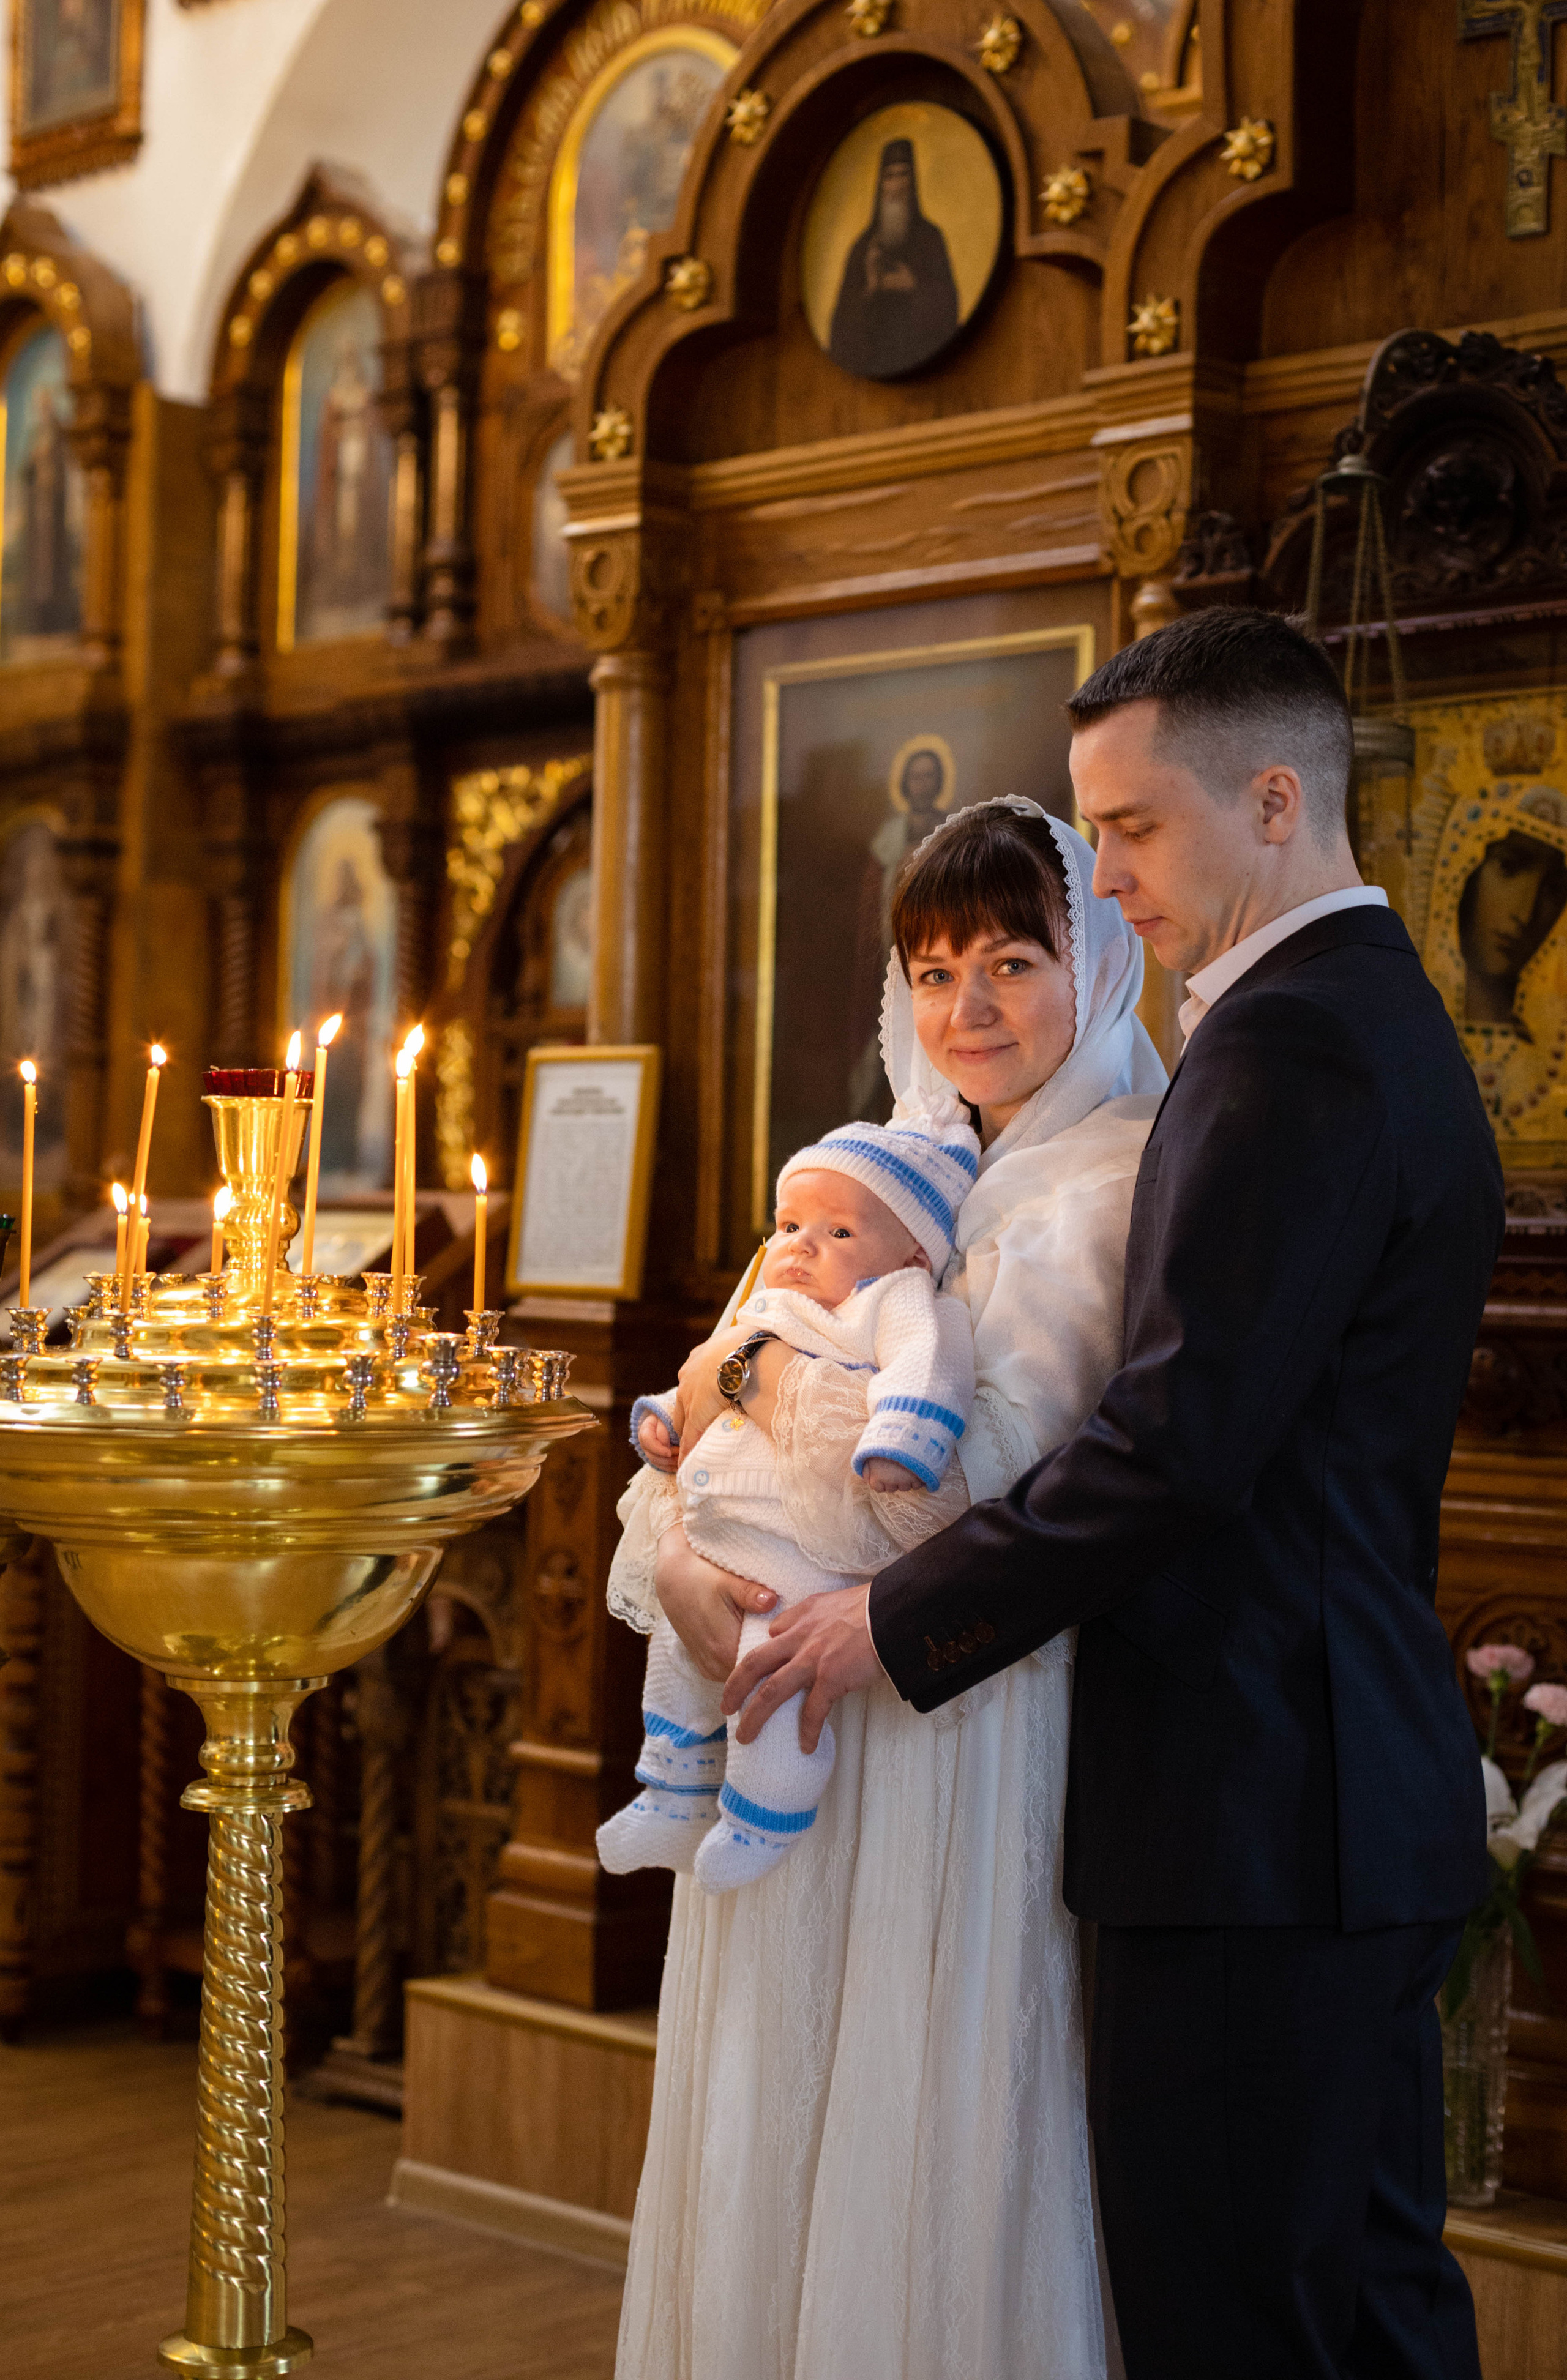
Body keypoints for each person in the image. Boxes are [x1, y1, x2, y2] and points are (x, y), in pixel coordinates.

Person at [727, 608, 1505, 2380]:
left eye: (1134, 829)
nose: (1107, 875)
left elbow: (1178, 1444)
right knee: (1358, 2306)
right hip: (1317, 1783)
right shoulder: (1351, 1013)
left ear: (1277, 801)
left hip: (1258, 1802)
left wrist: (892, 1619)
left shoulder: (1293, 1043)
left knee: (1248, 2325)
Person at [617, 798, 1164, 2380]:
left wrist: (761, 1380)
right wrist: (679, 1565)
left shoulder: (1115, 1182)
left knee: (923, 2140)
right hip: (789, 1706)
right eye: (931, 973)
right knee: (765, 2123)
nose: (966, 1010)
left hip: (958, 1724)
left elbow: (976, 1469)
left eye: (1010, 961)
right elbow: (675, 1438)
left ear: (1102, 962)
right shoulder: (867, 1170)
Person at [597, 1112, 976, 1892]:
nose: (801, 1246)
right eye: (791, 1225)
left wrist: (903, 1437)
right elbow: (704, 1378)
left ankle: (767, 1808)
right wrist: (666, 1421)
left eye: (838, 1232)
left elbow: (925, 1367)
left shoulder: (895, 1299)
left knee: (769, 1670)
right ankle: (671, 1788)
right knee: (674, 1657)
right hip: (719, 1537)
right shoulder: (770, 1306)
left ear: (909, 1252)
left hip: (801, 1550)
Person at [827, 138, 959, 380]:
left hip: (929, 366)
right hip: (873, 365)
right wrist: (871, 288)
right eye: (890, 176)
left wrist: (914, 286)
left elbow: (950, 308)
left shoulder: (930, 238)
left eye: (903, 175)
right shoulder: (863, 247)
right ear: (881, 184)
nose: (897, 185)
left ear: (912, 181)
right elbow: (840, 330)